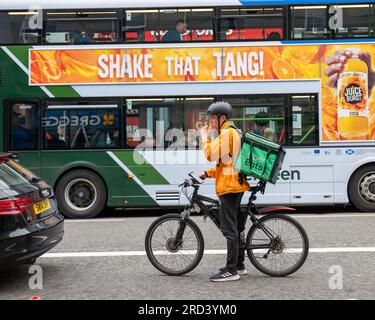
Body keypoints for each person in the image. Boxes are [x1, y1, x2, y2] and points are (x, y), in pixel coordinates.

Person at [199, 101, 250, 282]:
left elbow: (209, 154)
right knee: (235, 227)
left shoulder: (227, 133)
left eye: (213, 118)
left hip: (229, 188)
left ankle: (231, 271)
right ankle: (239, 265)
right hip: (234, 185)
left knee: (229, 230)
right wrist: (206, 174)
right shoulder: (231, 132)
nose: (210, 122)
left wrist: (205, 137)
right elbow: (226, 164)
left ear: (222, 118)